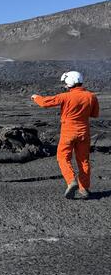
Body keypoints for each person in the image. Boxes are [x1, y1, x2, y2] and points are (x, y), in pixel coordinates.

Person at [31, 71, 99, 199]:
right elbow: (94, 114)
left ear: (70, 82)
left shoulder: (65, 97)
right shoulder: (91, 96)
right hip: (84, 132)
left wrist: (36, 97)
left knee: (63, 157)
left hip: (68, 132)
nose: (65, 86)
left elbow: (45, 103)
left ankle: (71, 181)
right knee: (84, 160)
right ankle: (84, 189)